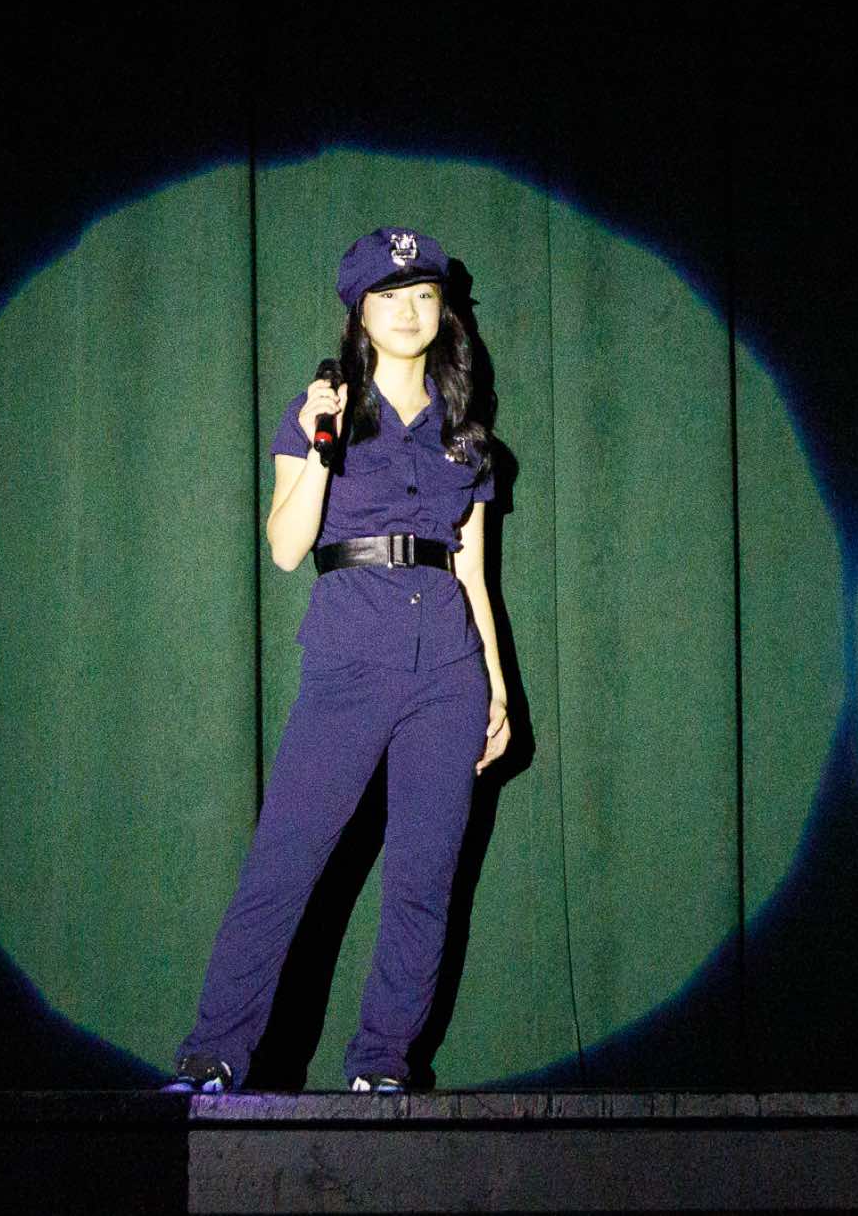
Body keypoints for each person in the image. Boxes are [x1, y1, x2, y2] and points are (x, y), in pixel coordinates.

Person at [165, 227, 510, 1094]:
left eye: (425, 294)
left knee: (424, 879)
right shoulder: (319, 409)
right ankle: (214, 1055)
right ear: (360, 312)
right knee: (284, 863)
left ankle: (383, 1065)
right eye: (390, 296)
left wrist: (500, 689)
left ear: (445, 312)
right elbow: (287, 547)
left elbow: (474, 571)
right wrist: (320, 444)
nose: (410, 310)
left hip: (450, 668)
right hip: (350, 657)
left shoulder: (466, 435)